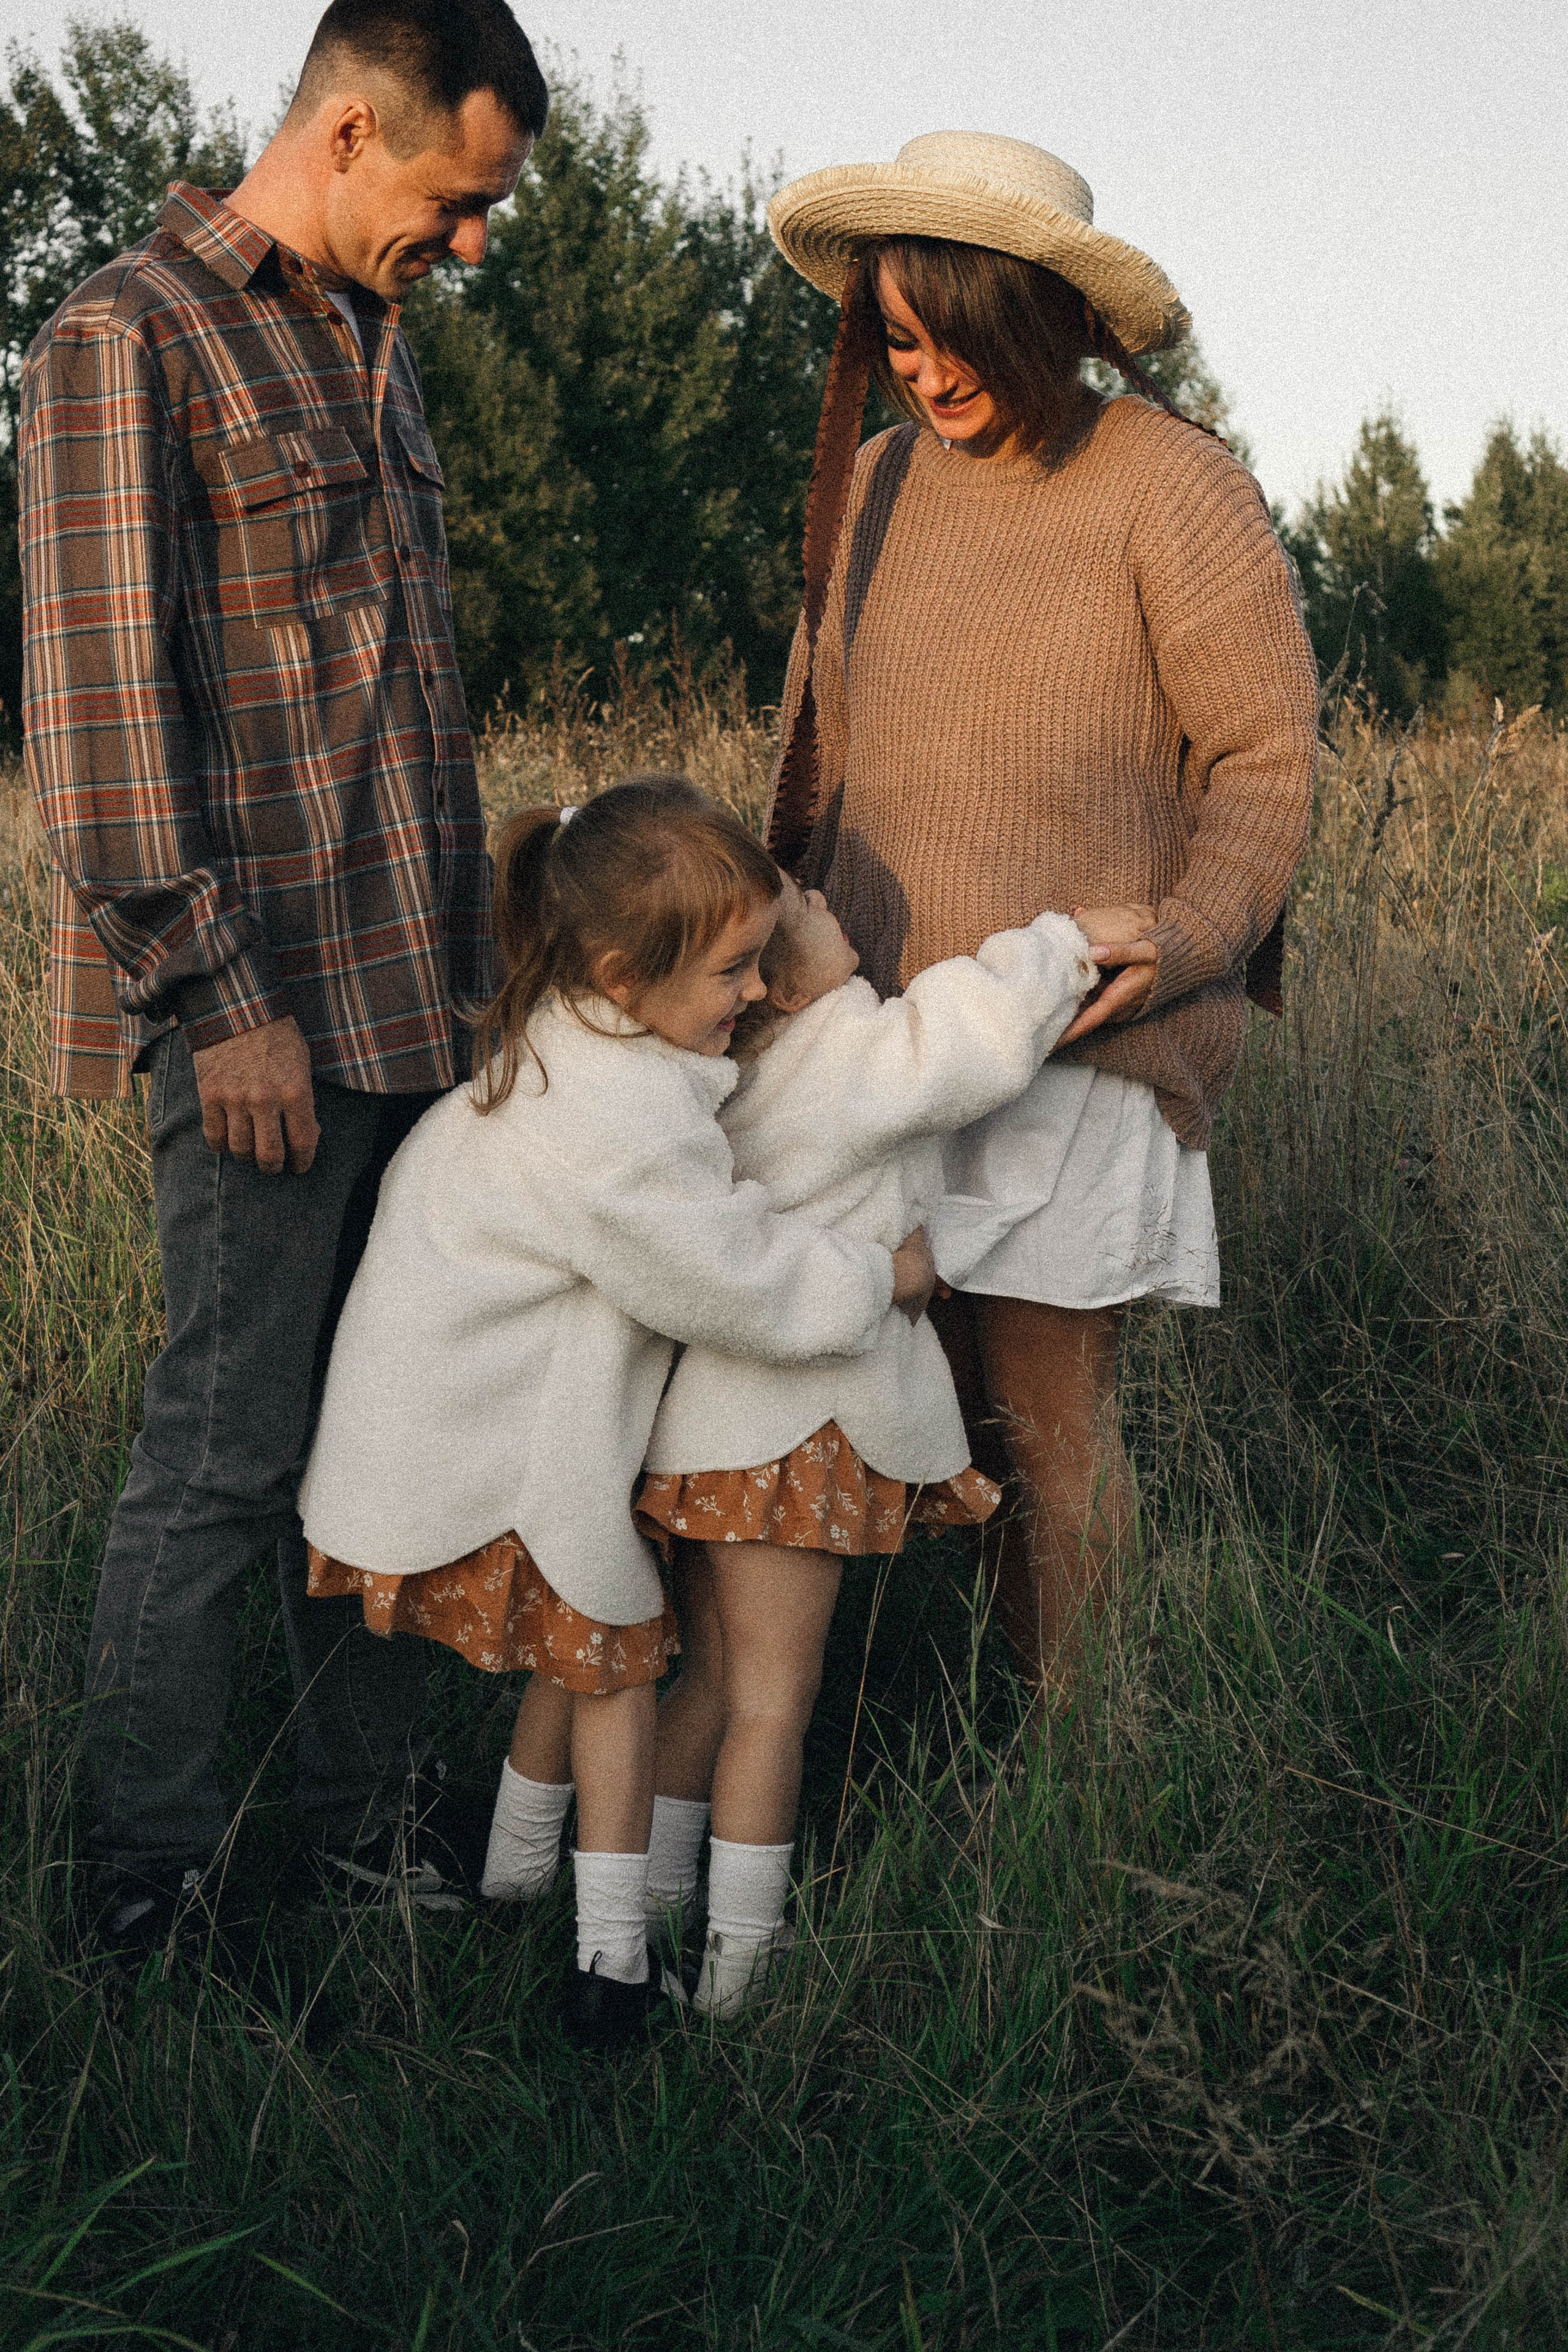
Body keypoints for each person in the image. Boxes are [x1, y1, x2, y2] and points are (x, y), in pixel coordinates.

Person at [17, 0, 549, 1981]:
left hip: (419, 1009)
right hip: (263, 1028)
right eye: (457, 199)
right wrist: (214, 997)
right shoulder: (125, 337)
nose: (471, 244)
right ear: (345, 132)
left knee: (389, 1440)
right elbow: (98, 722)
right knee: (225, 1460)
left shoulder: (375, 349)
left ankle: (361, 1835)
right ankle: (145, 1889)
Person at [762, 132, 1320, 1700]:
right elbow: (814, 741)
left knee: (1041, 1423)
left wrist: (1190, 934)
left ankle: (1086, 1770)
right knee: (911, 1412)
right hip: (878, 1048)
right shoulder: (874, 484)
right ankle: (936, 1727)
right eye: (897, 337)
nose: (929, 374)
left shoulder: (1170, 482)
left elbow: (1265, 752)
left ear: (1054, 322)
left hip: (1075, 1036)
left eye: (961, 337)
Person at [298, 779, 937, 2049]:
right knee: (620, 1665)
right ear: (622, 974)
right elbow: (728, 1275)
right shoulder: (617, 1120)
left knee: (577, 1646)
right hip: (487, 1436)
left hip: (456, 1408)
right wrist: (882, 1280)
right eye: (731, 973)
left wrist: (780, 992)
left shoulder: (577, 1035)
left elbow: (699, 1199)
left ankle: (512, 1878)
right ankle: (612, 1965)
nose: (753, 993)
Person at [631, 874, 1095, 2015]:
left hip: (710, 1430)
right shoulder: (842, 1046)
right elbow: (965, 1047)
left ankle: (647, 1914)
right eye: (806, 904)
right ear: (785, 988)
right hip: (800, 1435)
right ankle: (740, 1964)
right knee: (773, 1706)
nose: (823, 891)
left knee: (711, 1683)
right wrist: (1063, 945)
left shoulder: (716, 1077)